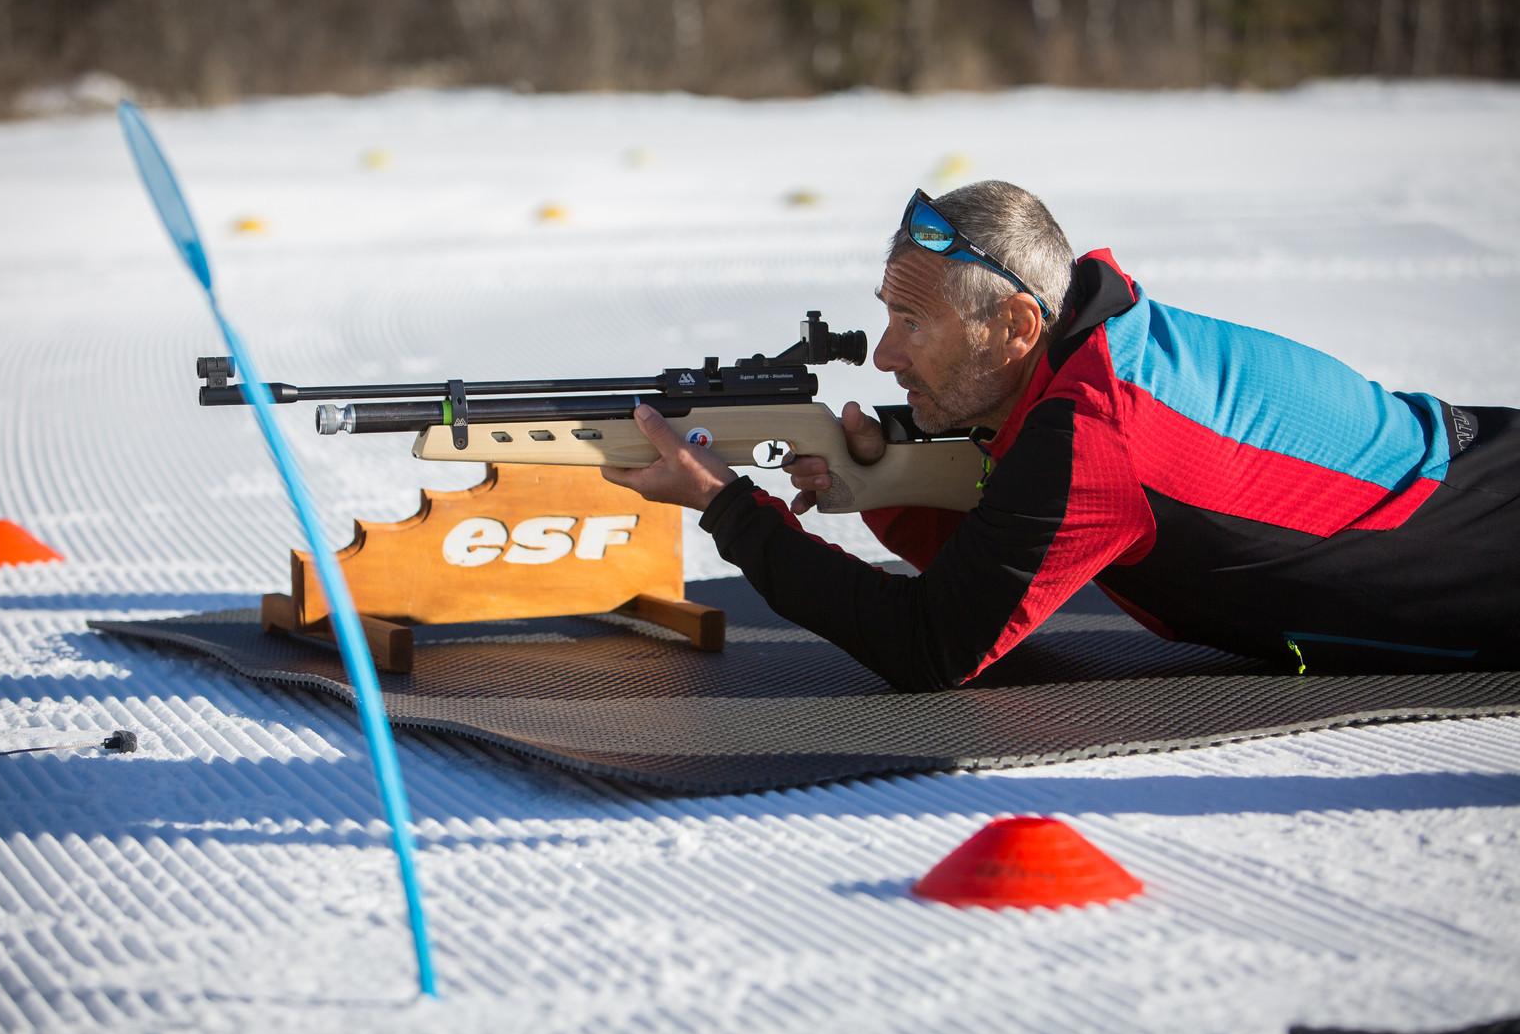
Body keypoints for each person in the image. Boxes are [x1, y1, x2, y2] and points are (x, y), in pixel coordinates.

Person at [603, 180, 1520, 690]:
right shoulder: (1094, 353)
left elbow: (931, 647)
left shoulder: (1094, 429)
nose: (883, 355)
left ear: (1014, 328)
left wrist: (726, 509)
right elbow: (1015, 563)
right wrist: (885, 495)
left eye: (913, 325)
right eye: (886, 315)